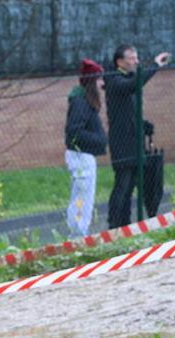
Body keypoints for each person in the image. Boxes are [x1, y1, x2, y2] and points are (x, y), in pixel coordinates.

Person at [105, 44, 170, 228]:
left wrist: (144, 126)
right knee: (123, 185)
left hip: (135, 142)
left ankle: (125, 224)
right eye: (132, 58)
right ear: (120, 61)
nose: (136, 61)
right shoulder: (114, 79)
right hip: (122, 144)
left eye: (136, 58)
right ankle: (115, 224)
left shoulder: (128, 77)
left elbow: (132, 112)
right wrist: (155, 66)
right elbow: (133, 85)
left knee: (131, 185)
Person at [64, 59, 108, 237]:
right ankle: (77, 235)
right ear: (92, 81)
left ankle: (80, 233)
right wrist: (99, 139)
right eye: (100, 80)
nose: (102, 84)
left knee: (85, 197)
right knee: (81, 198)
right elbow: (73, 132)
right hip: (81, 156)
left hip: (84, 156)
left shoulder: (83, 102)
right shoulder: (81, 103)